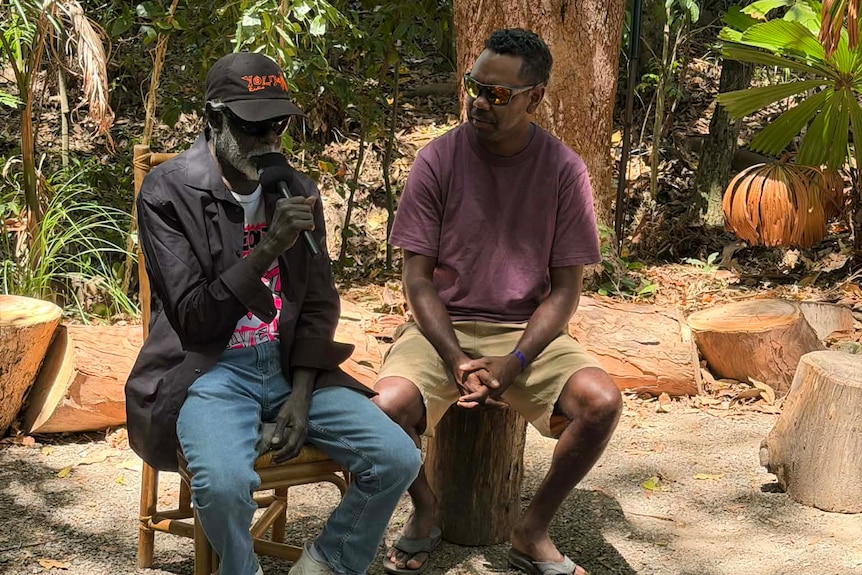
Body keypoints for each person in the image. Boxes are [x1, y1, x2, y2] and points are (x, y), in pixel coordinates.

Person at [125, 52, 421, 575]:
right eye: (252, 125)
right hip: (209, 371)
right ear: (213, 118)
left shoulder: (297, 189)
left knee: (397, 458)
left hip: (288, 366)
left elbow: (318, 303)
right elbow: (192, 320)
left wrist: (302, 396)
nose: (268, 140)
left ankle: (327, 562)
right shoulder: (168, 191)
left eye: (278, 123)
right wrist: (265, 250)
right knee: (223, 484)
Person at [372, 28, 623, 575]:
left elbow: (564, 291)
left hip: (525, 332)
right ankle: (425, 507)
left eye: (498, 95)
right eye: (474, 87)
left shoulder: (563, 170)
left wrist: (516, 362)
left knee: (602, 401)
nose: (480, 103)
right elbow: (417, 280)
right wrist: (454, 358)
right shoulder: (437, 160)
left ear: (535, 97)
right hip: (443, 326)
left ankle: (531, 532)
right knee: (386, 407)